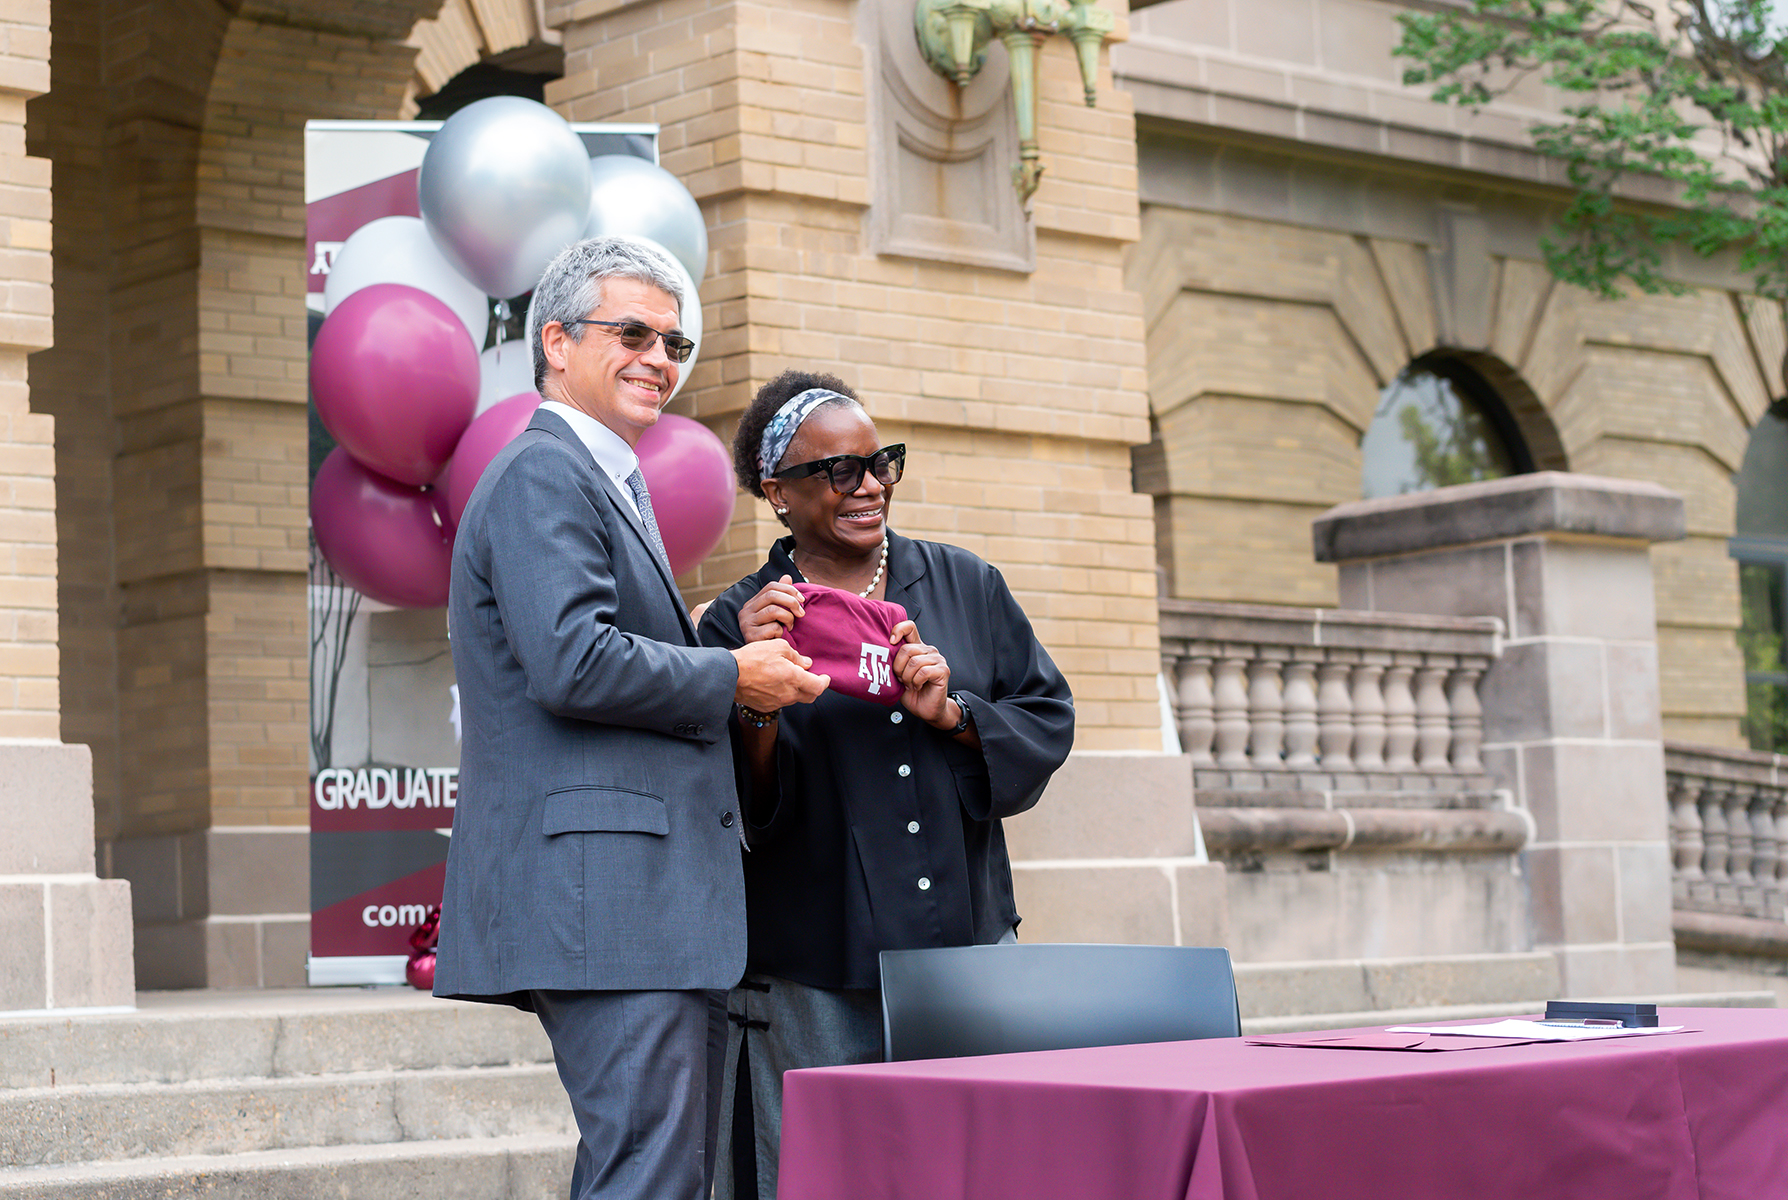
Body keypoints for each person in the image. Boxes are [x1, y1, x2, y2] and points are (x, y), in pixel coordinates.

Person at [433, 238, 829, 1200]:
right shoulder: (544, 472)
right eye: (635, 333)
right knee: (650, 1174)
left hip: (639, 904)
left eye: (675, 341)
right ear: (557, 342)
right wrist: (730, 673)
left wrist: (706, 636)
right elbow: (572, 662)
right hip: (605, 903)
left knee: (656, 1170)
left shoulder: (606, 476)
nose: (661, 357)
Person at [697, 370, 1076, 1200]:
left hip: (966, 956)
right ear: (778, 493)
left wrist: (956, 715)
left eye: (882, 463)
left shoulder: (965, 585)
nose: (869, 486)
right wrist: (756, 696)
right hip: (815, 970)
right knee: (826, 1177)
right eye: (839, 471)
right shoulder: (738, 623)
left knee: (975, 1169)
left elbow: (1047, 718)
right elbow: (738, 807)